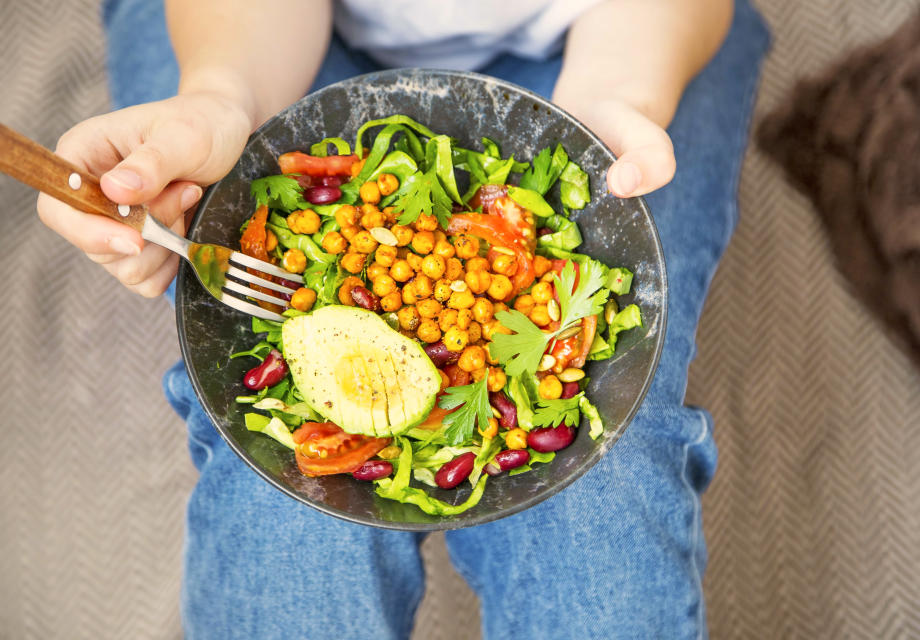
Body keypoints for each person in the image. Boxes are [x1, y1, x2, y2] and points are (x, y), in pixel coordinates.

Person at [37, 1, 769, 637]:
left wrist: (621, 95)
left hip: (628, 32)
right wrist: (222, 96)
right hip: (246, 28)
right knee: (284, 497)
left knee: (606, 470)